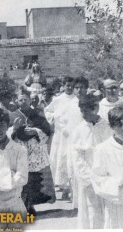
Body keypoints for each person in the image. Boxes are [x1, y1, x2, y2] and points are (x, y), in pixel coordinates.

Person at [12, 90, 55, 214]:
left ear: (31, 100)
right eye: (20, 99)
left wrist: (36, 131)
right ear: (16, 101)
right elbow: (6, 133)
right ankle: (21, 205)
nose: (23, 102)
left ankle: (30, 205)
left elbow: (47, 130)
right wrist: (14, 129)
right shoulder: (12, 115)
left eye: (26, 99)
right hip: (18, 151)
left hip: (35, 153)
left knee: (33, 179)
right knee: (20, 179)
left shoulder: (38, 114)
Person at [72, 94, 112, 228]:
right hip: (89, 178)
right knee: (92, 212)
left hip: (108, 177)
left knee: (109, 212)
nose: (83, 114)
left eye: (86, 110)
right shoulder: (79, 130)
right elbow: (77, 158)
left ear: (95, 108)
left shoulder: (108, 126)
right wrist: (87, 178)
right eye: (81, 111)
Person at [91, 105, 123, 229]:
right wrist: (119, 183)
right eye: (119, 125)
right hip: (118, 205)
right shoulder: (103, 149)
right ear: (111, 126)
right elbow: (98, 178)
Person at [44, 76, 75, 199]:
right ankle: (64, 188)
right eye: (68, 85)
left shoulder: (77, 99)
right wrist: (56, 116)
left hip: (73, 134)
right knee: (61, 159)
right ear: (63, 85)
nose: (70, 88)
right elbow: (47, 111)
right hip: (61, 135)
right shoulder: (58, 99)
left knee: (72, 158)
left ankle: (73, 187)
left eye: (72, 86)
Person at [65, 76, 89, 208]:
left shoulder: (91, 102)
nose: (79, 90)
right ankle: (78, 204)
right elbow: (65, 123)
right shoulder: (70, 105)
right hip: (74, 142)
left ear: (86, 88)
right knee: (75, 170)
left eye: (82, 88)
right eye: (76, 88)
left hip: (88, 140)